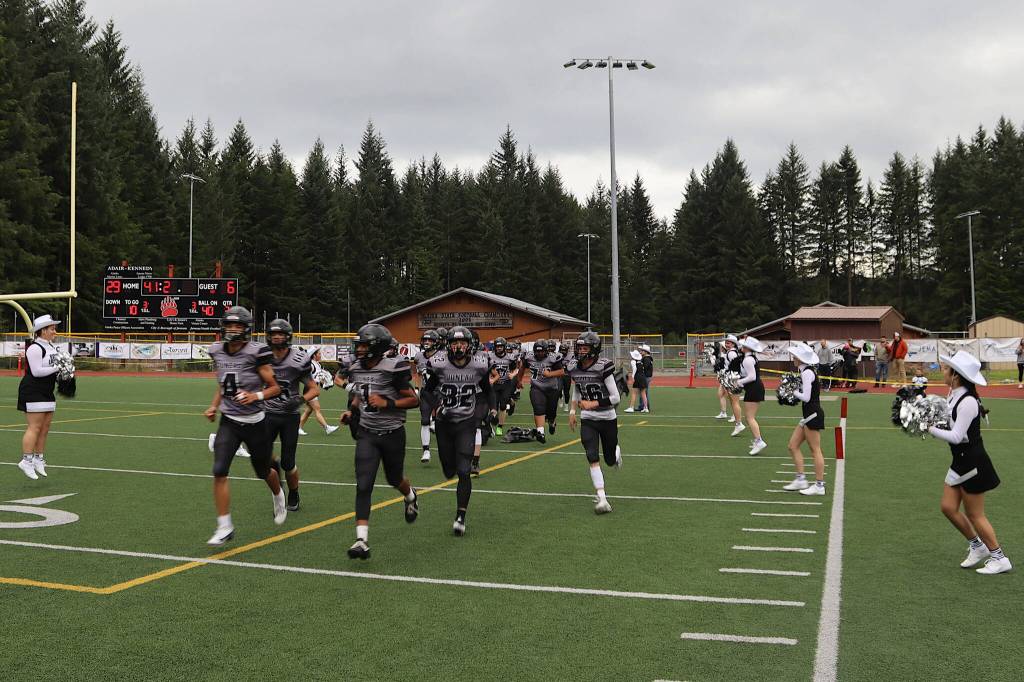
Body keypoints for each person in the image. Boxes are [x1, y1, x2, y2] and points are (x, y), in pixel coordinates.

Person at [204, 306, 287, 546]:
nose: (232, 329)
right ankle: (224, 526)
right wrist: (213, 406)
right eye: (229, 325)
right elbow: (223, 384)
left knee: (263, 471)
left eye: (237, 326)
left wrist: (255, 396)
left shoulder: (256, 352)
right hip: (229, 421)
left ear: (246, 328)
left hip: (255, 422)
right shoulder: (217, 350)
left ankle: (278, 494)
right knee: (219, 470)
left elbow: (275, 387)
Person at [341, 324, 420, 560]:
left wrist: (388, 403)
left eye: (364, 345)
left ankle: (411, 495)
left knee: (394, 478)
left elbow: (413, 400)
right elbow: (359, 395)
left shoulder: (393, 367)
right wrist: (352, 413)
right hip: (367, 433)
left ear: (377, 348)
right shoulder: (355, 367)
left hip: (393, 432)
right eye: (359, 345)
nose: (360, 349)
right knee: (363, 484)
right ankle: (361, 540)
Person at [928, 351, 1010, 575]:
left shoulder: (968, 402)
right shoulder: (953, 393)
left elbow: (957, 436)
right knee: (948, 507)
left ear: (956, 375)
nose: (942, 370)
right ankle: (977, 546)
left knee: (975, 514)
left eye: (946, 369)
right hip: (961, 461)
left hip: (973, 463)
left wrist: (929, 429)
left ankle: (999, 557)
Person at [424, 326, 496, 535]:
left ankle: (460, 516)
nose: (458, 347)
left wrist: (491, 409)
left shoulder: (479, 364)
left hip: (466, 421)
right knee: (449, 471)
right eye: (454, 343)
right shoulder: (440, 364)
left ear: (469, 345)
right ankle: (452, 470)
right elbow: (427, 392)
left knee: (464, 471)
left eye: (462, 343)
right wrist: (436, 405)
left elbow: (488, 391)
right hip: (444, 422)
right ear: (448, 345)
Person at [264, 319, 320, 512]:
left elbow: (314, 389)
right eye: (274, 334)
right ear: (268, 336)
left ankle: (294, 491)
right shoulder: (262, 356)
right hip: (267, 413)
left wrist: (299, 400)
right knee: (263, 456)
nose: (277, 337)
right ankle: (276, 479)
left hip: (289, 416)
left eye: (281, 334)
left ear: (288, 337)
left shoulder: (299, 359)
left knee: (288, 462)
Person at [567, 331, 622, 514]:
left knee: (609, 459)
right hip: (589, 419)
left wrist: (593, 403)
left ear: (594, 349)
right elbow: (577, 388)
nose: (581, 352)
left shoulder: (602, 367)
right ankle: (602, 498)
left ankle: (615, 451)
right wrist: (573, 410)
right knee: (591, 455)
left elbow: (615, 398)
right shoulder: (575, 366)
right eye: (579, 348)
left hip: (607, 417)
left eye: (585, 348)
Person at [16, 314, 66, 480]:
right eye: (52, 329)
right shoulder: (35, 348)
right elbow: (37, 372)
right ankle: (26, 461)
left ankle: (38, 459)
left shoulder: (52, 347)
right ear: (42, 331)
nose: (55, 331)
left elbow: (53, 369)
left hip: (47, 391)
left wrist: (65, 371)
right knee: (34, 428)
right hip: (33, 390)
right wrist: (58, 366)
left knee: (44, 428)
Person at [781, 343, 827, 495]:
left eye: (795, 356)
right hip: (808, 415)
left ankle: (819, 486)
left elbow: (806, 397)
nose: (793, 357)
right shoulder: (806, 371)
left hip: (812, 414)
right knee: (792, 446)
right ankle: (801, 479)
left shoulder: (807, 372)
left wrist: (792, 391)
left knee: (815, 451)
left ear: (800, 358)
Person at [517, 339, 565, 443]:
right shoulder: (529, 357)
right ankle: (540, 432)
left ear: (546, 350)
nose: (539, 353)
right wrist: (519, 380)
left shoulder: (553, 358)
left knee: (551, 413)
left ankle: (552, 422)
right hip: (536, 387)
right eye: (537, 351)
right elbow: (522, 368)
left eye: (542, 351)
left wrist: (549, 374)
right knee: (538, 408)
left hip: (552, 388)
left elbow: (562, 372)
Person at [411, 330, 442, 463]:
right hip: (426, 392)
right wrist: (417, 389)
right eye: (425, 340)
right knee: (424, 420)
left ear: (436, 343)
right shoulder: (419, 356)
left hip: (441, 392)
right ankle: (426, 451)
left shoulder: (443, 356)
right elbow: (417, 373)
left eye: (429, 340)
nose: (427, 342)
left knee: (445, 421)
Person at [298, 348, 340, 437]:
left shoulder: (318, 365)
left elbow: (318, 377)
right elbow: (306, 376)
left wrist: (324, 381)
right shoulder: (311, 365)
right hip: (309, 389)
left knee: (308, 410)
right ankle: (327, 428)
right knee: (317, 409)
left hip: (314, 389)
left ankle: (298, 428)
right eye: (319, 353)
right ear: (314, 355)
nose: (320, 355)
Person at [736, 336, 767, 455]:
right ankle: (757, 440)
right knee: (749, 417)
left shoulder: (747, 360)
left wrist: (739, 382)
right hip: (754, 387)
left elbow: (752, 377)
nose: (741, 347)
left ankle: (759, 441)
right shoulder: (751, 358)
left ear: (747, 348)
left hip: (754, 388)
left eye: (744, 345)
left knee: (749, 417)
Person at [488, 337, 520, 437]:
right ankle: (492, 424)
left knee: (502, 405)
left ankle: (500, 427)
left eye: (501, 346)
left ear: (504, 347)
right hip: (495, 384)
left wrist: (513, 374)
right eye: (497, 346)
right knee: (493, 406)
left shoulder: (510, 357)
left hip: (506, 383)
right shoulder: (490, 356)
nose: (499, 348)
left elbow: (516, 369)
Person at [724, 335, 746, 432]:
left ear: (733, 344)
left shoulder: (732, 353)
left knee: (735, 401)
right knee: (733, 401)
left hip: (733, 379)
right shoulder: (730, 352)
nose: (726, 344)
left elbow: (737, 367)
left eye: (728, 343)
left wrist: (734, 378)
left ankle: (739, 423)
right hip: (731, 378)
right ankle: (737, 420)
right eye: (726, 342)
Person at [638, 344, 654, 412]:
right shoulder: (647, 358)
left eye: (642, 351)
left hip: (646, 377)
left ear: (645, 351)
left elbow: (644, 367)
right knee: (643, 392)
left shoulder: (646, 358)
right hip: (647, 376)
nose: (640, 352)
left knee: (644, 392)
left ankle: (645, 406)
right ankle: (642, 406)